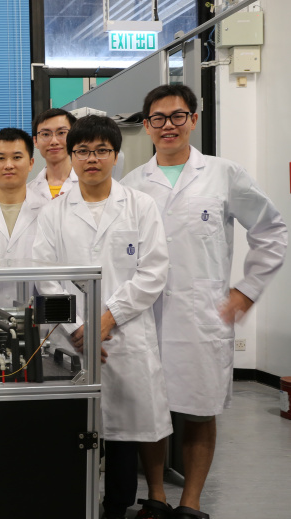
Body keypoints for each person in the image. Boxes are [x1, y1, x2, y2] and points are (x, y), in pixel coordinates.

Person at [120, 85, 288, 519]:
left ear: (194, 119)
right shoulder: (133, 185)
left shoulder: (223, 174)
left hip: (202, 315)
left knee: (200, 410)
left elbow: (272, 231)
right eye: (159, 118)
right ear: (147, 126)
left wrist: (245, 291)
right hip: (146, 315)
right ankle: (155, 497)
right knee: (150, 409)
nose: (169, 125)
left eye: (178, 116)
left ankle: (190, 504)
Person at [32, 115, 172, 519]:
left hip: (126, 338)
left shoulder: (140, 206)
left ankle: (117, 506)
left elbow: (153, 271)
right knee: (79, 431)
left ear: (115, 156)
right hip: (72, 340)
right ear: (72, 156)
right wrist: (81, 328)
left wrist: (108, 320)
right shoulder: (55, 213)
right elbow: (47, 277)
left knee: (125, 433)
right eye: (83, 151)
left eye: (101, 151)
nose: (92, 159)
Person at [0, 128, 45, 307]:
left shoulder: (48, 211)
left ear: (31, 163)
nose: (8, 165)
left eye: (16, 157)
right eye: (0, 158)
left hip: (39, 323)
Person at [29, 108, 78, 203]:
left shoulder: (88, 186)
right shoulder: (27, 192)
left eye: (61, 133)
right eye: (46, 134)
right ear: (35, 141)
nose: (54, 141)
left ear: (74, 137)